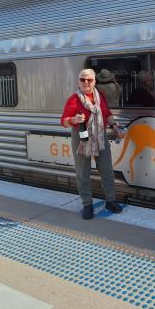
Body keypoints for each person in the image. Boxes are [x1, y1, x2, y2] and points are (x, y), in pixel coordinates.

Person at [61, 68, 125, 219]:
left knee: (107, 170)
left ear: (94, 81)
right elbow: (63, 121)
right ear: (79, 81)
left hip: (100, 135)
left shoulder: (99, 96)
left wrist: (115, 126)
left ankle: (110, 201)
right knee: (83, 173)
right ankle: (87, 205)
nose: (86, 82)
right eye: (83, 80)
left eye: (89, 79)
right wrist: (73, 120)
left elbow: (107, 114)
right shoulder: (73, 99)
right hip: (81, 137)